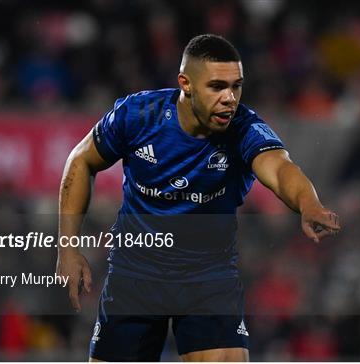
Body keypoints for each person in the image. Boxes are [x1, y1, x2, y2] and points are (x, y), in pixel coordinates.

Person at [56, 34, 340, 362]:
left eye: (236, 86)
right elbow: (81, 160)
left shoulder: (244, 129)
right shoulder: (137, 116)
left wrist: (309, 204)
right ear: (186, 84)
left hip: (208, 279)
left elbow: (279, 168)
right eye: (217, 86)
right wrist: (67, 246)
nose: (229, 98)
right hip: (135, 275)